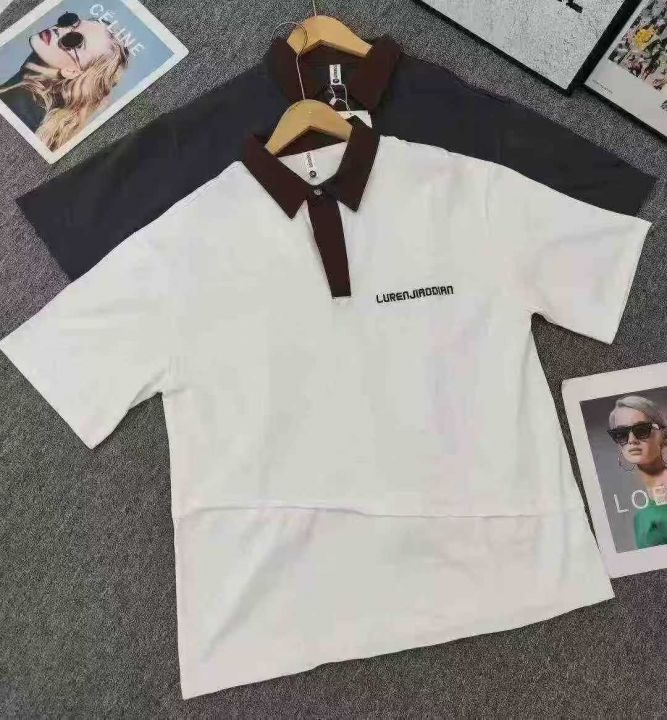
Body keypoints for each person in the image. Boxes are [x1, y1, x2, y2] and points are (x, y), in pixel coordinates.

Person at [0, 11, 128, 150]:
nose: (60, 30)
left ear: (72, 71)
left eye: (74, 40)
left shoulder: (20, 104)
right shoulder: (29, 104)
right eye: (70, 21)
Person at [608, 395, 667, 549]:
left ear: (663, 434)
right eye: (621, 434)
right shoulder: (640, 518)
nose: (631, 440)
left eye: (641, 430)